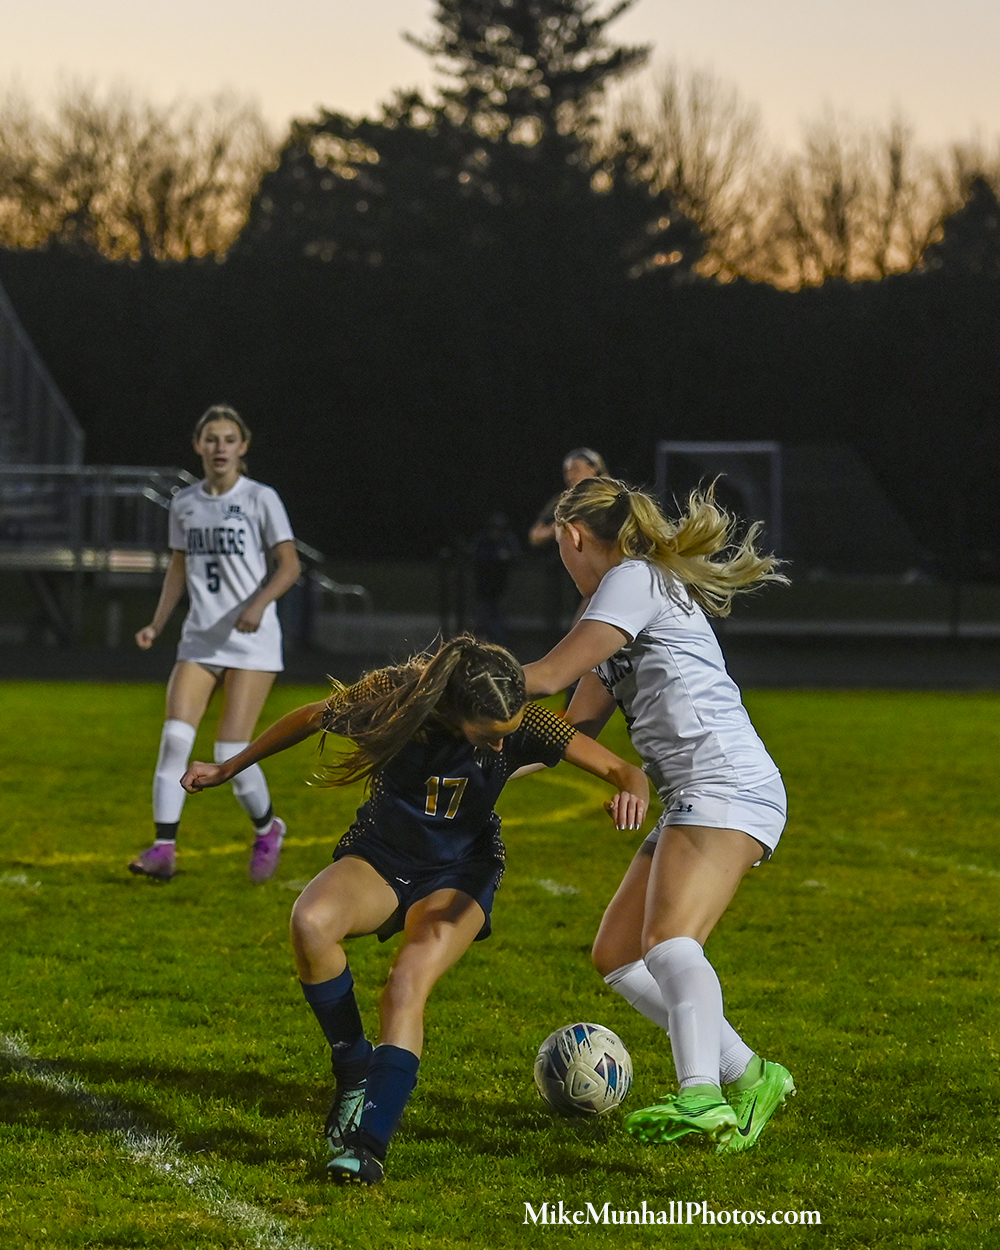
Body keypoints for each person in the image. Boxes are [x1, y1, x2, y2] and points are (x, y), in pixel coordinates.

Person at [180, 635, 649, 1185]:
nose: (504, 746)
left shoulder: (521, 717)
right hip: (380, 854)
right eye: (491, 736)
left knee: (406, 983)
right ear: (457, 713)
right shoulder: (394, 698)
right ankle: (353, 1067)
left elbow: (626, 771)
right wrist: (229, 767)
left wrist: (632, 792)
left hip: (461, 870)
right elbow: (310, 716)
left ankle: (367, 1148)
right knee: (310, 923)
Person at [521, 476, 794, 1154]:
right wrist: (480, 764)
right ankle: (750, 1074)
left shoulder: (633, 579)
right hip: (701, 790)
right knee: (619, 954)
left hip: (723, 780)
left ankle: (700, 1094)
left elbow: (546, 676)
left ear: (573, 536)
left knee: (671, 943)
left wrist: (449, 679)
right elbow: (569, 731)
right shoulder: (621, 601)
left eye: (562, 549)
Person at [129, 404, 302, 884]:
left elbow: (289, 565)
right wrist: (157, 624)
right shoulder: (185, 503)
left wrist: (259, 604)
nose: (219, 447)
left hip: (251, 641)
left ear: (243, 447)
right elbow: (178, 567)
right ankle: (164, 848)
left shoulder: (261, 498)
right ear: (198, 446)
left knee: (230, 749)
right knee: (174, 740)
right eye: (211, 439)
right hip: (200, 639)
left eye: (228, 439)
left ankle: (268, 829)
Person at [528, 447, 609, 549]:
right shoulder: (563, 501)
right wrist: (556, 529)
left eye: (576, 469)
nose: (570, 476)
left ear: (593, 469)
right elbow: (535, 535)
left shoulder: (612, 495)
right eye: (567, 472)